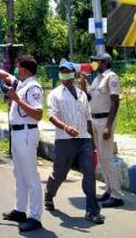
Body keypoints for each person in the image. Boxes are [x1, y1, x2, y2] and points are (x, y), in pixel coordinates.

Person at [0, 55, 44, 233]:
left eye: (17, 66)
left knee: (31, 175)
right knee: (20, 174)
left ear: (24, 69)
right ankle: (20, 210)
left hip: (27, 133)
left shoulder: (33, 87)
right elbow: (4, 75)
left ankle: (35, 217)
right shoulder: (21, 84)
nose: (15, 69)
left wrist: (16, 99)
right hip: (17, 133)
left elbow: (38, 115)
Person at [45, 60, 105, 225]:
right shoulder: (55, 94)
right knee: (60, 174)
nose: (66, 76)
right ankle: (49, 194)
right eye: (62, 72)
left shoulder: (82, 94)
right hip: (65, 140)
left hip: (84, 139)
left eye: (68, 72)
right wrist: (66, 127)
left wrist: (92, 143)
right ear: (59, 75)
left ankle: (92, 211)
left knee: (89, 174)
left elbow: (88, 119)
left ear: (73, 74)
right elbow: (51, 115)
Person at [79, 53, 124, 208]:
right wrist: (83, 84)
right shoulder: (97, 79)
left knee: (107, 158)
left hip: (105, 120)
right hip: (95, 119)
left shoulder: (111, 78)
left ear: (103, 63)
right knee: (101, 158)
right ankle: (109, 190)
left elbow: (115, 102)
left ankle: (117, 195)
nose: (93, 64)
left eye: (96, 61)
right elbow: (88, 98)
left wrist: (108, 126)